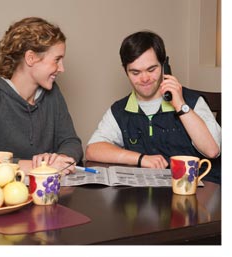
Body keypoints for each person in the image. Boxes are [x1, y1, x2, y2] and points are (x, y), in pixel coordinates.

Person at [85, 30, 221, 184]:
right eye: (135, 72)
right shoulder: (120, 110)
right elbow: (92, 150)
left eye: (151, 70)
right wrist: (141, 159)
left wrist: (180, 105)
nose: (144, 79)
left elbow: (212, 150)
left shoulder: (192, 102)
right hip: (150, 198)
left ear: (164, 66)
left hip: (202, 192)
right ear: (125, 71)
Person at [0, 17, 83, 177]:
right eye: (57, 60)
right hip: (1, 197)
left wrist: (62, 159)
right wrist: (33, 166)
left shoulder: (53, 94)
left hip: (46, 195)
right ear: (31, 58)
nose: (62, 69)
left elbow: (71, 141)